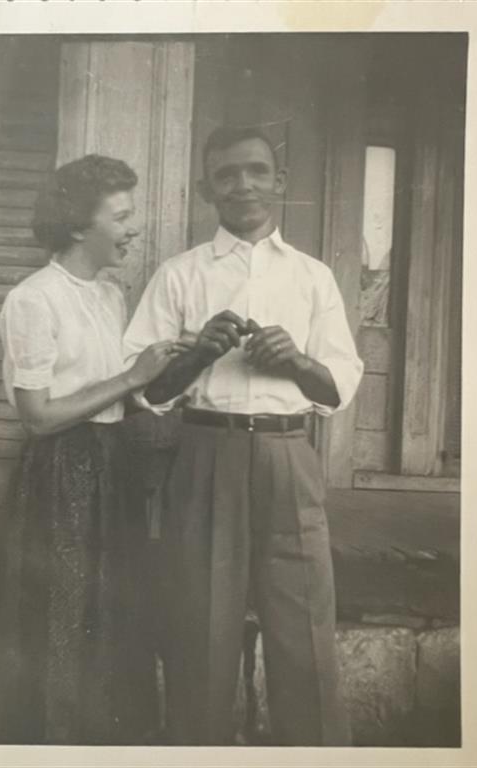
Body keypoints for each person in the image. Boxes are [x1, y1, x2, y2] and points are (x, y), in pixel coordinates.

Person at [123, 125, 364, 746]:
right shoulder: (180, 275)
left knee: (305, 629)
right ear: (208, 190)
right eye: (227, 175)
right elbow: (144, 390)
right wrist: (198, 354)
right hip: (206, 455)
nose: (244, 184)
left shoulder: (312, 277)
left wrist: (297, 362)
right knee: (201, 631)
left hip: (289, 456)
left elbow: (336, 388)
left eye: (257, 170)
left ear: (278, 182)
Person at [0, 154, 180, 745]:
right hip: (61, 472)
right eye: (122, 216)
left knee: (115, 616)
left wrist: (182, 360)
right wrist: (130, 379)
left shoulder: (108, 294)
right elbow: (38, 415)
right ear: (79, 226)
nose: (134, 227)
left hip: (113, 462)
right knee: (62, 619)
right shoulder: (34, 300)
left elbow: (127, 386)